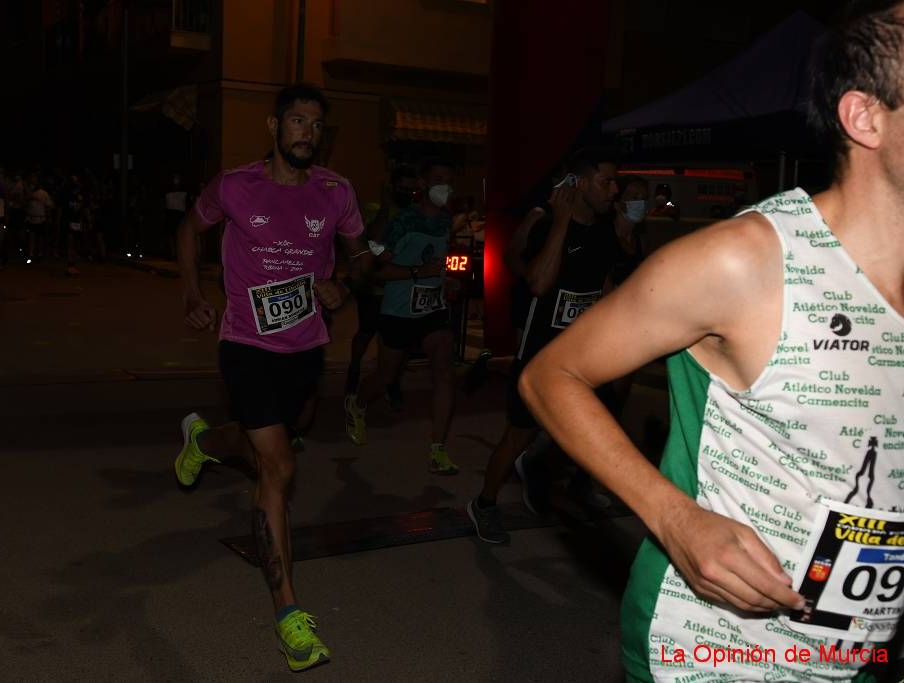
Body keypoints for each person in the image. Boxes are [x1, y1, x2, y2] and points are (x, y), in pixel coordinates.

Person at [521, 4, 904, 680]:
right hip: (719, 648)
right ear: (865, 117)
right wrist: (675, 520)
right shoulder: (745, 261)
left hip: (861, 654)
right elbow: (551, 375)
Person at [171, 83, 370, 672]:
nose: (306, 132)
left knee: (279, 435)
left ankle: (204, 441)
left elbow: (360, 256)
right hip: (245, 344)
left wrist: (346, 283)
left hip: (305, 346)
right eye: (297, 121)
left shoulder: (337, 191)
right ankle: (288, 615)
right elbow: (189, 230)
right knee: (279, 466)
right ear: (274, 127)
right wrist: (191, 292)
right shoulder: (236, 185)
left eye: (315, 124)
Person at [466, 149, 638, 543]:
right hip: (542, 355)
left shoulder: (605, 228)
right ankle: (485, 504)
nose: (614, 190)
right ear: (578, 184)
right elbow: (540, 284)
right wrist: (560, 220)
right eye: (605, 181)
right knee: (519, 434)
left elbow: (603, 285)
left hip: (584, 355)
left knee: (590, 428)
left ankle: (557, 476)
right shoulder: (549, 226)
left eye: (616, 182)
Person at [344, 158, 460, 474]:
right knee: (386, 377)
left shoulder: (446, 221)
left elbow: (437, 260)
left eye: (449, 180)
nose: (445, 187)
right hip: (397, 311)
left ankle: (438, 449)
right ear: (422, 184)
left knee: (444, 373)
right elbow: (377, 272)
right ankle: (358, 403)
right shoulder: (402, 222)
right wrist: (416, 272)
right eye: (438, 178)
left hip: (432, 309)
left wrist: (443, 279)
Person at [344, 164, 418, 406]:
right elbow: (372, 238)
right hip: (375, 287)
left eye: (411, 190)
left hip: (402, 287)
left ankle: (392, 382)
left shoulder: (415, 213)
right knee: (366, 333)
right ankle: (353, 374)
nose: (407, 194)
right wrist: (386, 207)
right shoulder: (375, 208)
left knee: (399, 341)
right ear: (392, 187)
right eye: (402, 189)